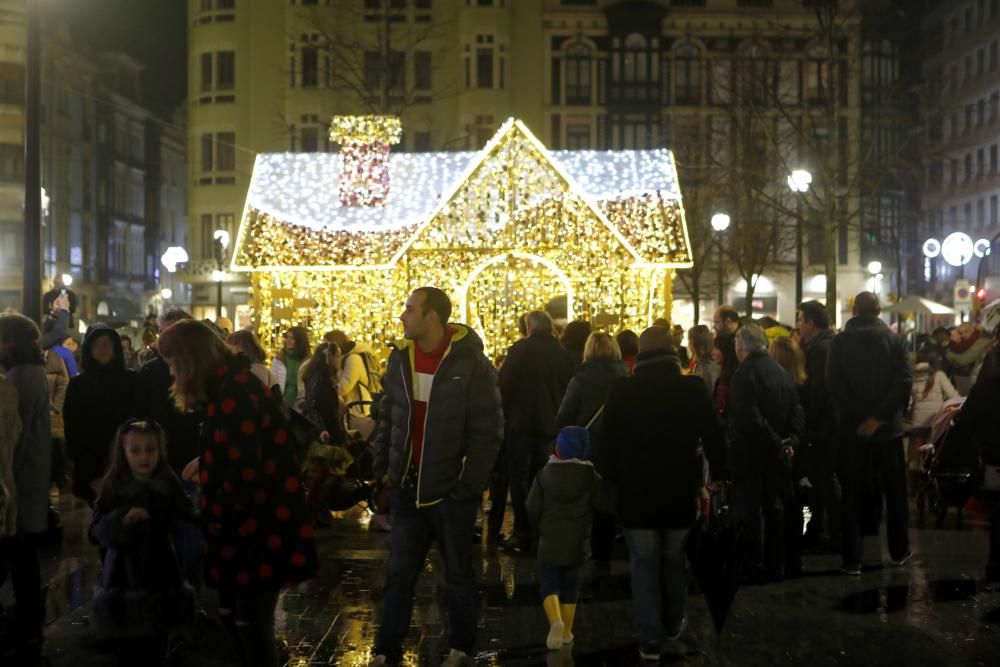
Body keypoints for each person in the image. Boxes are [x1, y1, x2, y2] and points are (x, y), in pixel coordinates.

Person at [160, 320, 317, 667]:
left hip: (255, 532)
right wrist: (210, 461)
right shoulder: (231, 388)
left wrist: (209, 514)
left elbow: (245, 473)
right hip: (258, 527)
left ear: (189, 361)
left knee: (250, 627)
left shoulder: (233, 395)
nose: (171, 374)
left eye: (172, 364)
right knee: (245, 623)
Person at [369, 287, 502, 667]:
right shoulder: (400, 359)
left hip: (449, 491)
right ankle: (385, 648)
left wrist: (468, 486)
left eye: (410, 310)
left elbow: (487, 431)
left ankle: (461, 647)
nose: (402, 316)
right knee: (399, 574)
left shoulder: (471, 364)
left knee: (458, 575)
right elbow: (389, 415)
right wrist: (382, 470)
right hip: (408, 487)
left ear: (432, 317)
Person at [599, 326, 726, 663]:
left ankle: (650, 636)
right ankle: (672, 623)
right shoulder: (692, 389)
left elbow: (603, 444)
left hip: (636, 493)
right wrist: (719, 477)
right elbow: (714, 437)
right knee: (673, 559)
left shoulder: (622, 390)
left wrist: (616, 478)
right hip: (678, 491)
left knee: (642, 564)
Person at [88, 419, 196, 664]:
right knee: (128, 652)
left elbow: (187, 512)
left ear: (160, 450)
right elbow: (95, 530)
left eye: (150, 449)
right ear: (123, 452)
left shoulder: (167, 482)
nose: (144, 457)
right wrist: (121, 520)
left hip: (161, 576)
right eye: (135, 450)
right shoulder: (113, 485)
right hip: (122, 580)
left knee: (157, 646)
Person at [826, 292, 913, 575]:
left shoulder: (839, 343)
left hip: (852, 431)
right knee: (895, 492)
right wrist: (879, 417)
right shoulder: (896, 341)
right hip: (888, 432)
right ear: (878, 311)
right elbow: (903, 383)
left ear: (853, 311)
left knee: (851, 493)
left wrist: (861, 417)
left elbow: (834, 385)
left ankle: (853, 558)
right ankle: (899, 550)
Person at [728, 325, 804, 582]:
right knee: (774, 511)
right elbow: (796, 410)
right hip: (779, 456)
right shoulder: (781, 372)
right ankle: (776, 563)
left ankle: (752, 564)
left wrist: (776, 443)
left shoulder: (744, 374)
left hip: (753, 455)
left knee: (750, 512)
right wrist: (789, 441)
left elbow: (749, 418)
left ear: (741, 346)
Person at [136, 308, 203, 593]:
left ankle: (191, 593)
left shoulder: (200, 371)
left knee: (190, 532)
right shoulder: (152, 371)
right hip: (160, 462)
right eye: (164, 331)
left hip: (192, 462)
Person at [499, 310, 576, 552]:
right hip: (550, 426)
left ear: (529, 328)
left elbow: (504, 386)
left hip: (520, 425)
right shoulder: (562, 355)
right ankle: (541, 528)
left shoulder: (520, 350)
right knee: (542, 479)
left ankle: (523, 530)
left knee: (519, 479)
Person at [526, 426, 608, 651]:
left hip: (549, 542)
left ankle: (555, 621)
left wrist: (537, 529)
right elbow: (604, 503)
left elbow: (531, 508)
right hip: (577, 544)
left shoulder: (544, 475)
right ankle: (567, 632)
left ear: (558, 448)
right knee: (571, 585)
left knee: (549, 585)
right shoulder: (590, 476)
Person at [0, 313, 52, 655]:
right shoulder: (33, 373)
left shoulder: (18, 379)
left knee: (19, 554)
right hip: (32, 476)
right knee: (22, 555)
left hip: (20, 480)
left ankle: (29, 622)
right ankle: (29, 620)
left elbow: (11, 439)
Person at [555, 332, 628, 564]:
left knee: (580, 502)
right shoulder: (625, 376)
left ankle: (576, 553)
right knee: (606, 503)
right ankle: (601, 556)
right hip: (614, 447)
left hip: (584, 448)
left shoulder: (581, 378)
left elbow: (565, 415)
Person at [64, 325, 142, 506]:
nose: (103, 348)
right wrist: (90, 475)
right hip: (92, 464)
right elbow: (74, 430)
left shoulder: (131, 381)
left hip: (128, 463)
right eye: (97, 344)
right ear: (89, 349)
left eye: (108, 343)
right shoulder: (78, 385)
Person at [796, 300, 840, 550]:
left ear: (810, 323)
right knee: (823, 479)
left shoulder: (821, 349)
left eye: (801, 320)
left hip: (822, 426)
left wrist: (813, 425)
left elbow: (819, 392)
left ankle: (830, 532)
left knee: (824, 478)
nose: (799, 326)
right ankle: (825, 529)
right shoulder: (824, 346)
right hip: (824, 425)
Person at [767, 334, 809, 576]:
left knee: (780, 508)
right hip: (798, 451)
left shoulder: (781, 389)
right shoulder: (803, 386)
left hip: (785, 453)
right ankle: (794, 557)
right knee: (794, 508)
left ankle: (781, 559)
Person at [905, 348, 959, 472]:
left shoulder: (911, 376)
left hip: (918, 421)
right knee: (937, 443)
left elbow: (908, 399)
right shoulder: (939, 375)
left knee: (917, 443)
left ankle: (914, 470)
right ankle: (933, 469)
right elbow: (953, 395)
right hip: (936, 419)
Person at [946, 323, 993, 394]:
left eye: (966, 331)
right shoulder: (966, 343)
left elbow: (963, 360)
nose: (963, 335)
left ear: (972, 329)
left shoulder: (981, 341)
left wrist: (949, 355)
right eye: (960, 333)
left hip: (980, 378)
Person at [271, 325, 310, 409]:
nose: (288, 340)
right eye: (287, 337)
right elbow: (273, 382)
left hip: (301, 403)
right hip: (283, 402)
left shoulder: (307, 360)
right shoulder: (279, 358)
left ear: (299, 341)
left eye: (292, 338)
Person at [712, 332, 739, 418]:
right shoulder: (726, 372)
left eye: (716, 349)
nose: (712, 352)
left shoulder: (731, 375)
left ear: (725, 351)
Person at [687, 324, 718, 398]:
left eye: (689, 340)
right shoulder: (704, 362)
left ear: (693, 342)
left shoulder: (704, 367)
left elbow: (705, 394)